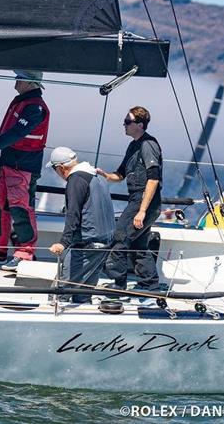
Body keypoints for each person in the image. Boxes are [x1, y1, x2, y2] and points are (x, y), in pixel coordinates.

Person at [0, 70, 50, 271]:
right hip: (9, 164)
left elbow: (15, 134)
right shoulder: (25, 102)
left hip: (23, 166)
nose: (16, 82)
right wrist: (1, 162)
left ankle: (25, 254)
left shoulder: (35, 108)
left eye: (19, 78)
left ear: (30, 83)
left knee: (21, 209)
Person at [96, 106, 163, 291]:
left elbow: (153, 179)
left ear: (139, 125)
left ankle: (118, 286)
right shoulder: (133, 145)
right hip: (137, 199)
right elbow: (120, 175)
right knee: (138, 244)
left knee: (120, 238)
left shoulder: (148, 145)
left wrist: (142, 211)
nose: (124, 125)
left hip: (144, 202)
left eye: (128, 122)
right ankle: (150, 286)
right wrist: (104, 175)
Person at [47, 147, 115, 303]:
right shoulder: (97, 175)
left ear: (61, 168)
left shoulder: (76, 180)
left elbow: (73, 214)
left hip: (87, 245)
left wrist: (63, 243)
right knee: (83, 294)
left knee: (58, 294)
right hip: (105, 242)